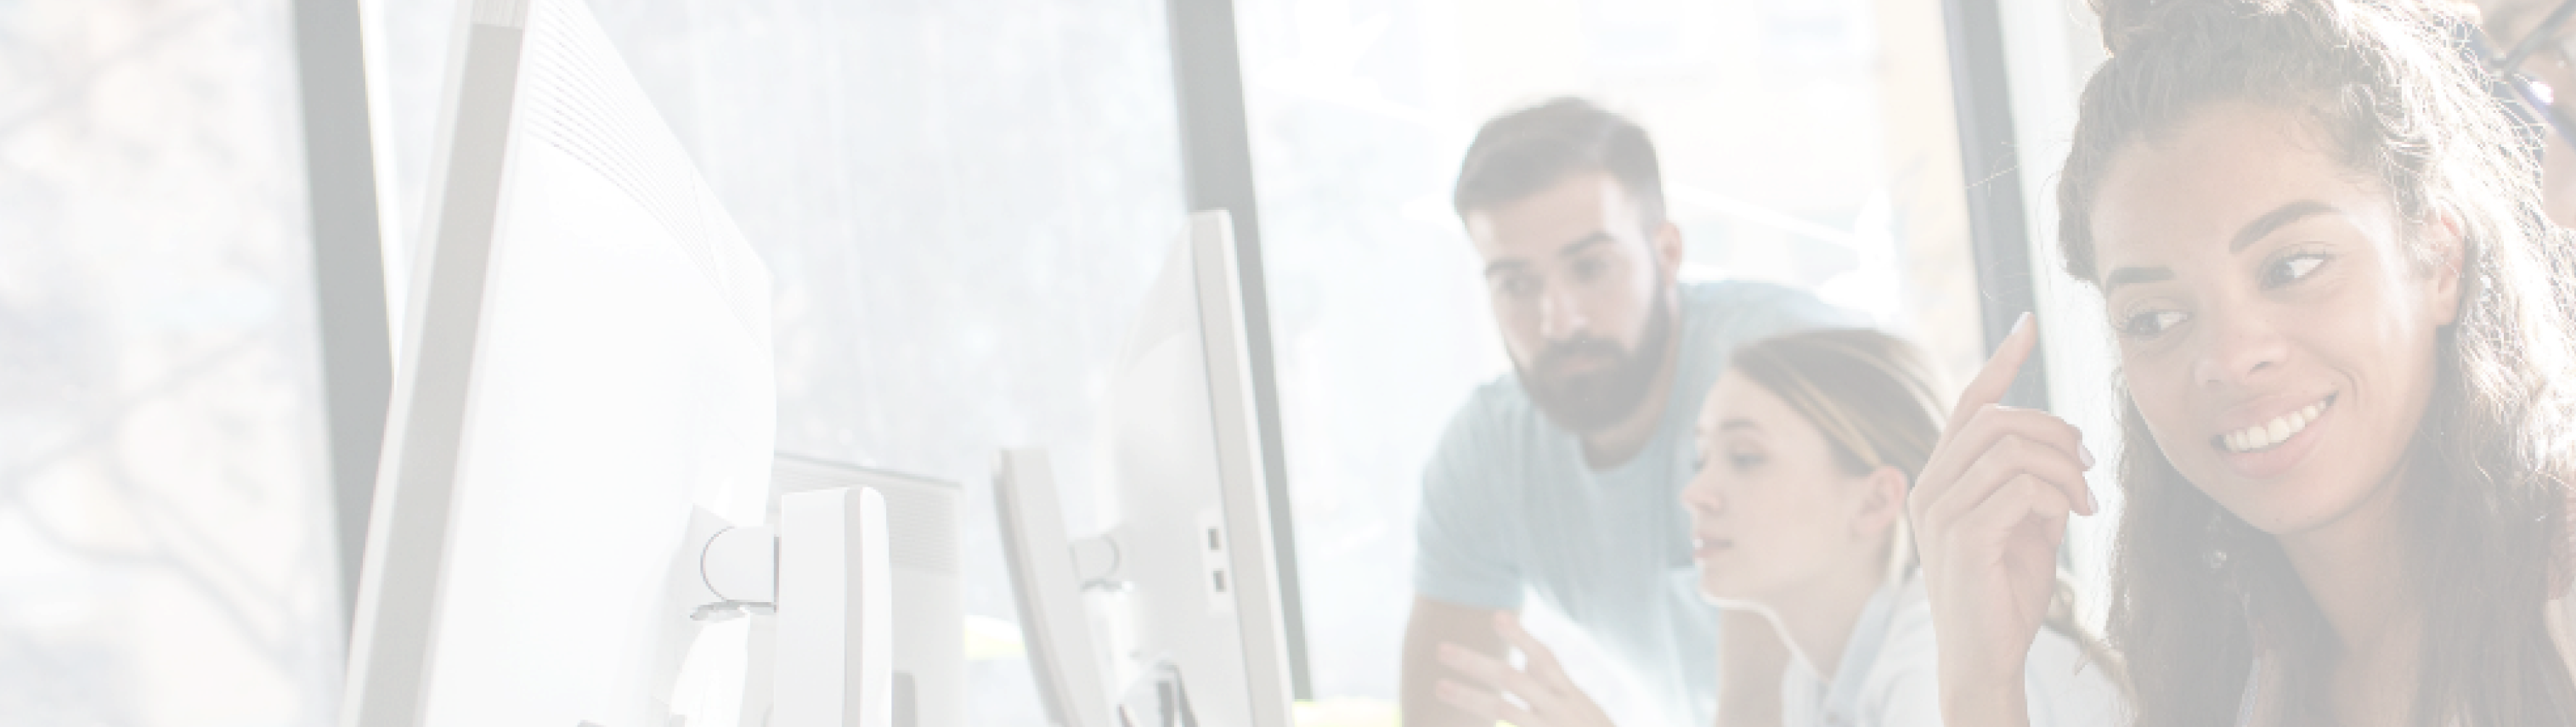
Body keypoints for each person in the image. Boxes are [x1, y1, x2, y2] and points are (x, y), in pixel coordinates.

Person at [1909, 0, 2576, 724]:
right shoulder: (2234, 665)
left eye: (2291, 267)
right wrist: (1980, 686)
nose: (2228, 358)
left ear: (2440, 260)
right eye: (2155, 320)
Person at [1402, 97, 1860, 727]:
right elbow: (1439, 715)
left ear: (1668, 254)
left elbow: (1762, 714)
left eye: (1591, 268)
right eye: (1515, 283)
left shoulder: (1778, 375)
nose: (1559, 321)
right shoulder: (1489, 453)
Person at [1427, 328, 2127, 727]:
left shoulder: (1931, 656)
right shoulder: (1813, 682)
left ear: (1876, 501)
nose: (1697, 493)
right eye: (1702, 458)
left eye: (1745, 457)